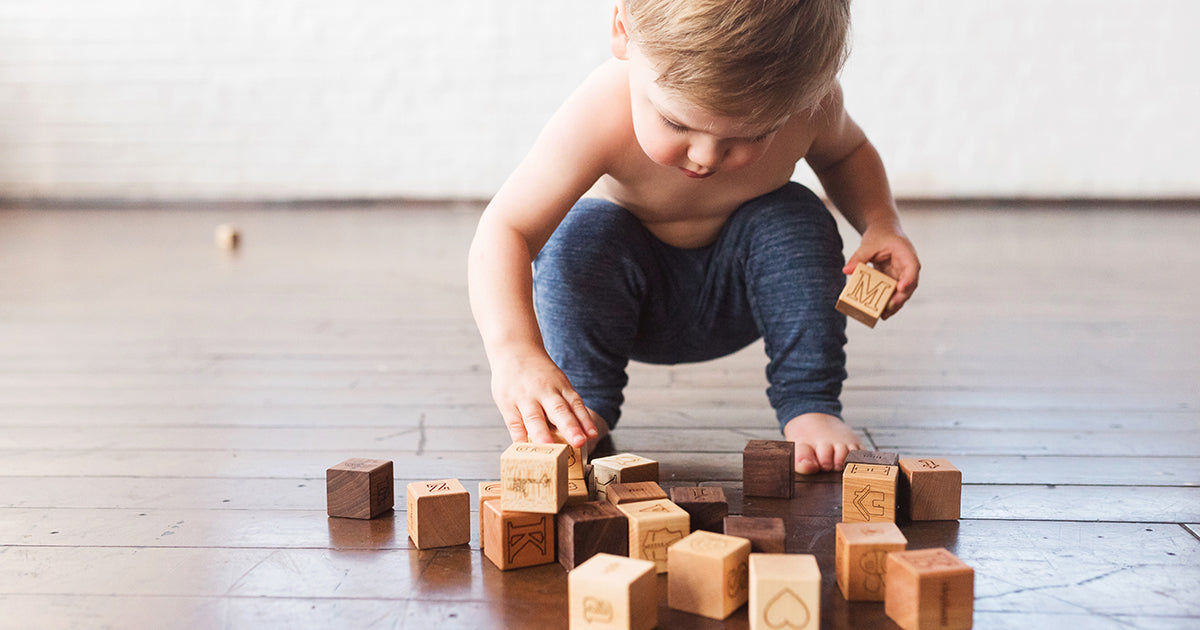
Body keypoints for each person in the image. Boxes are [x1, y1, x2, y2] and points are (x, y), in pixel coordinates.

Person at [468, 0, 920, 474]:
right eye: (676, 123)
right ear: (623, 31)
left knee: (794, 214)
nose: (706, 156)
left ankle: (812, 404)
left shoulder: (808, 102)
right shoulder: (602, 109)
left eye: (749, 135)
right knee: (582, 232)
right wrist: (515, 352)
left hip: (747, 296)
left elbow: (847, 154)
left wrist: (882, 224)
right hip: (627, 304)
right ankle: (582, 408)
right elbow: (506, 229)